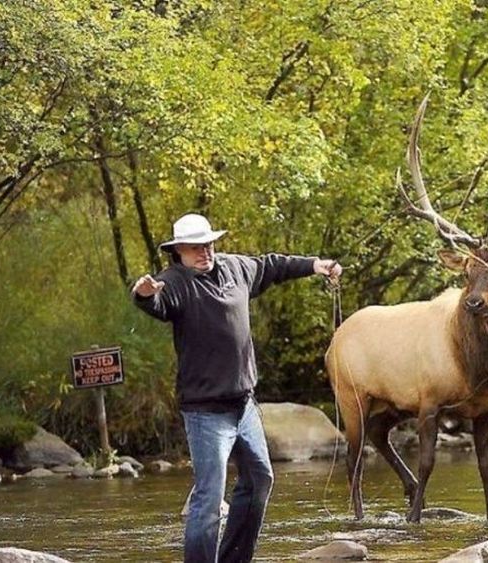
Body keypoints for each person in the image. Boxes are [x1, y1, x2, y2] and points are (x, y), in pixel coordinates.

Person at [131, 213, 341, 563]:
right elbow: (158, 304)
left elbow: (272, 265)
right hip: (205, 412)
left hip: (244, 406)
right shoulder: (176, 281)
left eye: (209, 244)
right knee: (209, 500)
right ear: (178, 251)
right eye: (196, 247)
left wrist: (314, 265)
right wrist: (143, 295)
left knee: (260, 479)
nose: (205, 252)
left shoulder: (235, 268)